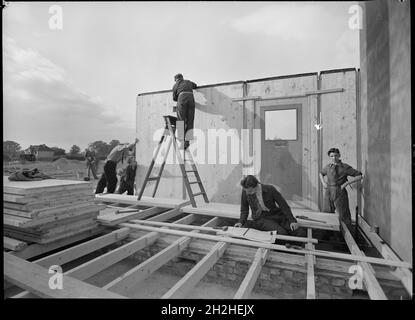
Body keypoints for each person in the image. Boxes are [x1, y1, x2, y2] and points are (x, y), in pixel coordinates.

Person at [235, 175, 305, 237]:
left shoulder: (270, 189)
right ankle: (281, 250)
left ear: (256, 186)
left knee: (300, 232)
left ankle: (294, 250)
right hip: (261, 218)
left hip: (276, 215)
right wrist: (240, 222)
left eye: (250, 191)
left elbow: (283, 205)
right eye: (246, 190)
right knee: (282, 234)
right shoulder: (245, 191)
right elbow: (244, 210)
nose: (247, 193)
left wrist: (292, 221)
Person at [319, 148, 363, 228]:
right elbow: (321, 173)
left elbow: (359, 176)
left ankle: (346, 235)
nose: (334, 158)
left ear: (339, 155)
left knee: (343, 214)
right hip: (328, 192)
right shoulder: (328, 167)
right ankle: (327, 234)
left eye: (335, 155)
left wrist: (346, 183)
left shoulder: (345, 167)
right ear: (329, 157)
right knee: (326, 213)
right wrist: (323, 183)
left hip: (340, 192)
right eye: (331, 156)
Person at [172, 73, 197, 149]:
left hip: (182, 99)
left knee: (180, 119)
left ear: (176, 79)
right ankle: (187, 141)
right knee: (190, 120)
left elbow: (174, 98)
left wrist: (180, 98)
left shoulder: (176, 85)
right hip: (191, 99)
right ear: (182, 77)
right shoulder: (188, 82)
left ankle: (182, 140)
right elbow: (195, 86)